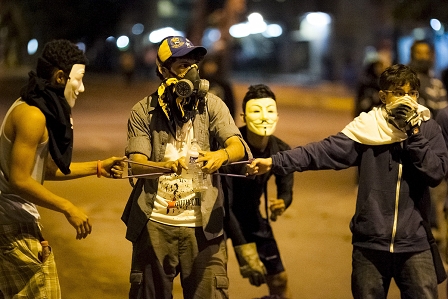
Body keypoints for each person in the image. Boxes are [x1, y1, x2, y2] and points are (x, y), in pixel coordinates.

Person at [248, 64, 448, 298]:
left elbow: (435, 173)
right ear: (383, 96)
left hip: (415, 245)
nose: (406, 99)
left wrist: (413, 135)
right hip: (370, 246)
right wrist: (274, 162)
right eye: (398, 92)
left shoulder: (428, 129)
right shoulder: (368, 129)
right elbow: (320, 152)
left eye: (411, 93)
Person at [121, 36, 251, 299]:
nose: (191, 72)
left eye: (194, 64)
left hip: (205, 229)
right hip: (155, 225)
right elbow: (136, 165)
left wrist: (221, 155)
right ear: (163, 70)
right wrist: (165, 166)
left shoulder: (212, 104)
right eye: (182, 66)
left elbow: (239, 147)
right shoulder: (142, 111)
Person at [0, 39, 125, 299]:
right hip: (11, 228)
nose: (82, 87)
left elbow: (41, 171)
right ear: (60, 77)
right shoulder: (33, 116)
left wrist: (99, 167)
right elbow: (20, 180)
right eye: (78, 78)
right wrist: (68, 208)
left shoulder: (34, 106)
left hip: (15, 224)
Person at [224, 84, 293, 298]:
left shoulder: (281, 150)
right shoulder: (231, 148)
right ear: (243, 116)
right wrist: (245, 251)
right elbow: (226, 205)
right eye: (256, 111)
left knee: (279, 280)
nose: (264, 118)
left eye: (270, 111)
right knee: (212, 281)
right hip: (220, 218)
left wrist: (282, 202)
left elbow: (286, 189)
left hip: (252, 216)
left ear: (277, 115)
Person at [409, 39, 448, 243]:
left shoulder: (437, 84)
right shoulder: (403, 82)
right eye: (419, 53)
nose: (422, 57)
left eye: (426, 53)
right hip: (407, 150)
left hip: (431, 150)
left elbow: (442, 116)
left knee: (434, 198)